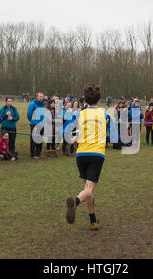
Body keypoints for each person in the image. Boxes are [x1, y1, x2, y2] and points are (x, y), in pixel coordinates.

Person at [66, 83, 114, 231]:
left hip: (81, 154)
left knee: (88, 189)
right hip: (96, 154)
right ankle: (75, 201)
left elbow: (66, 131)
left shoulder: (79, 114)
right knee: (88, 190)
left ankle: (93, 221)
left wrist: (74, 139)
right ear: (99, 99)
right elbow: (113, 134)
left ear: (84, 99)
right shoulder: (105, 114)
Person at [27, 92, 46, 159]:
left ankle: (38, 153)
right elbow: (29, 114)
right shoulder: (32, 104)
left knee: (40, 139)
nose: (41, 97)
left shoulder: (43, 104)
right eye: (40, 96)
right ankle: (33, 154)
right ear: (37, 97)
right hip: (35, 124)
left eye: (42, 96)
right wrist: (33, 121)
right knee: (33, 140)